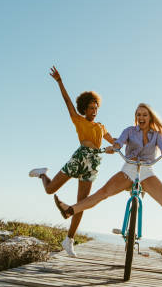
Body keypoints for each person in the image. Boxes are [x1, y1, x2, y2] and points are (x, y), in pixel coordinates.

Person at [54, 103, 162, 243]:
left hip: (146, 171)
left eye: (144, 114)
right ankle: (70, 210)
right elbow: (119, 142)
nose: (141, 117)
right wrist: (114, 147)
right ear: (135, 117)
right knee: (103, 192)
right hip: (129, 169)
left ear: (150, 117)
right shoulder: (129, 131)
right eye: (138, 115)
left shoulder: (156, 135)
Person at [29, 66, 116, 256]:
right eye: (90, 108)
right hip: (80, 158)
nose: (94, 111)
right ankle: (43, 173)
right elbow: (67, 101)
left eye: (96, 108)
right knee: (50, 189)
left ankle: (69, 240)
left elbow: (115, 142)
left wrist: (117, 146)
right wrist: (60, 81)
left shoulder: (101, 127)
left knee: (82, 203)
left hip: (94, 164)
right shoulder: (78, 120)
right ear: (84, 108)